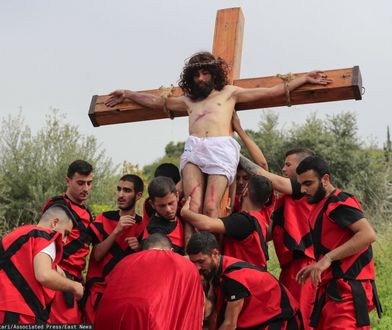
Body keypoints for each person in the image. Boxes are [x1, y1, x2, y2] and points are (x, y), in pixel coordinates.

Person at [105, 51, 332, 230]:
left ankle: (207, 254)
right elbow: (156, 103)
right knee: (192, 205)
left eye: (205, 73)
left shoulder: (229, 93)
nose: (201, 78)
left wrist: (303, 79)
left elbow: (271, 92)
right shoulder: (188, 100)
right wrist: (128, 94)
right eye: (196, 75)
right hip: (194, 148)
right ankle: (190, 257)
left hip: (220, 148)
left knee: (211, 206)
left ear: (213, 73)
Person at [294, 156, 382, 329]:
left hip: (348, 290)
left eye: (308, 183)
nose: (303, 190)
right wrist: (317, 264)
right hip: (333, 290)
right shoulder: (322, 205)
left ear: (325, 179)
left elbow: (368, 234)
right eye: (301, 184)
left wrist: (327, 259)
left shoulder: (338, 202)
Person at [186, 232, 302, 329]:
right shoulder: (216, 268)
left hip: (282, 321)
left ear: (215, 254)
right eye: (193, 262)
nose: (197, 268)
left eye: (201, 261)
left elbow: (230, 325)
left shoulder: (233, 279)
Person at [94, 233, 204, 330]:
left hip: (110, 318)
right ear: (171, 251)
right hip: (151, 320)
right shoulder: (182, 264)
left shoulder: (124, 262)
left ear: (143, 251)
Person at [0, 204, 84, 324]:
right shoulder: (45, 236)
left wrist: (56, 268)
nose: (64, 241)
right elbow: (44, 275)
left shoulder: (18, 234)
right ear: (54, 223)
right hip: (20, 314)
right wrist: (74, 286)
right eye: (66, 233)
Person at [83, 174, 145, 324]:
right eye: (119, 189)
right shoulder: (103, 218)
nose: (121, 195)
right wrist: (116, 231)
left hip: (127, 296)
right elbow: (97, 255)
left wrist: (139, 249)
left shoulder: (143, 226)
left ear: (138, 195)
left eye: (127, 190)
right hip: (98, 294)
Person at [181, 175, 272, 269]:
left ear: (245, 192)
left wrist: (186, 213)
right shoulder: (261, 220)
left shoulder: (244, 220)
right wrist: (227, 218)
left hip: (240, 276)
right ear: (266, 200)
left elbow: (207, 224)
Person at [42, 159, 94, 323]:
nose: (85, 188)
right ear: (68, 181)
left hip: (75, 283)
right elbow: (43, 244)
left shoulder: (86, 211)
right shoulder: (58, 208)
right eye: (80, 183)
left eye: (89, 183)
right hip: (58, 281)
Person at [142, 176, 185, 255]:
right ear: (152, 204)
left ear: (177, 196)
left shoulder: (182, 210)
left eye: (171, 203)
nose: (168, 210)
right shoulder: (155, 231)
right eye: (162, 206)